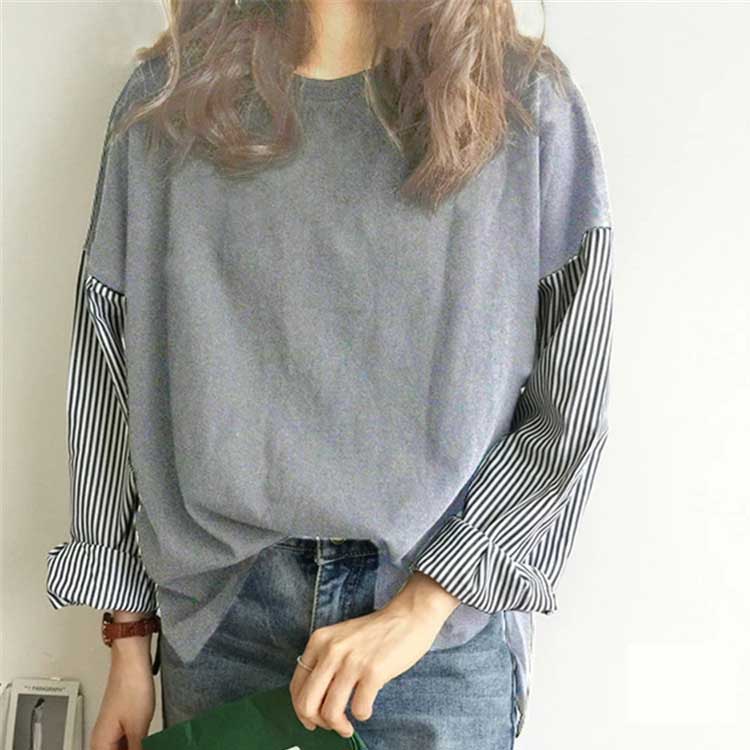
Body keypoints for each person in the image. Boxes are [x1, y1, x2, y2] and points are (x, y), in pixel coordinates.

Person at [45, 1, 614, 749]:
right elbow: (108, 372)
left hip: (434, 638)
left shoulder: (519, 100)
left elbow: (572, 397)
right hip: (220, 624)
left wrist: (424, 606)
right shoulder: (171, 100)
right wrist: (127, 641)